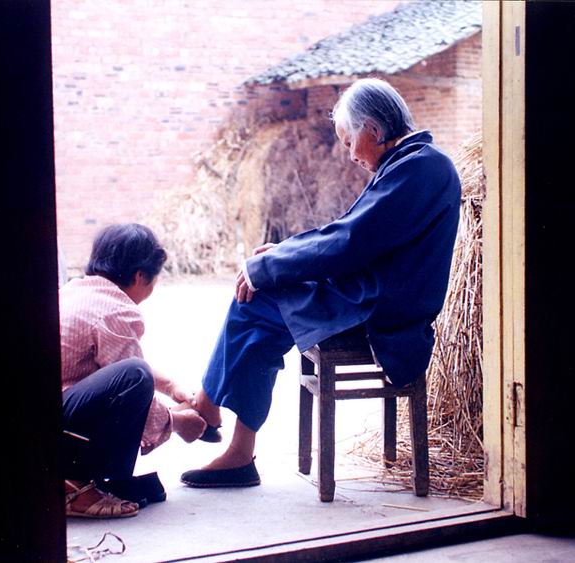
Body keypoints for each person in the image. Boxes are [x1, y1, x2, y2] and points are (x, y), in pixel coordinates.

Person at [181, 78, 462, 488]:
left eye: (349, 141)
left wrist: (270, 266)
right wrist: (277, 255)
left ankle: (212, 414)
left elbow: (350, 241)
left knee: (256, 303)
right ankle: (224, 430)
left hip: (384, 308)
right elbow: (347, 232)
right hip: (373, 292)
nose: (350, 155)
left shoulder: (421, 168)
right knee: (259, 306)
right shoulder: (411, 164)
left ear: (374, 129)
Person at [61, 223, 208, 518]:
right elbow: (130, 377)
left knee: (135, 375)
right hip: (59, 435)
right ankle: (76, 489)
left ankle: (84, 483)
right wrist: (178, 424)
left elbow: (112, 365)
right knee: (136, 377)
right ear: (140, 276)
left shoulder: (75, 290)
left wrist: (169, 385)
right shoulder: (117, 310)